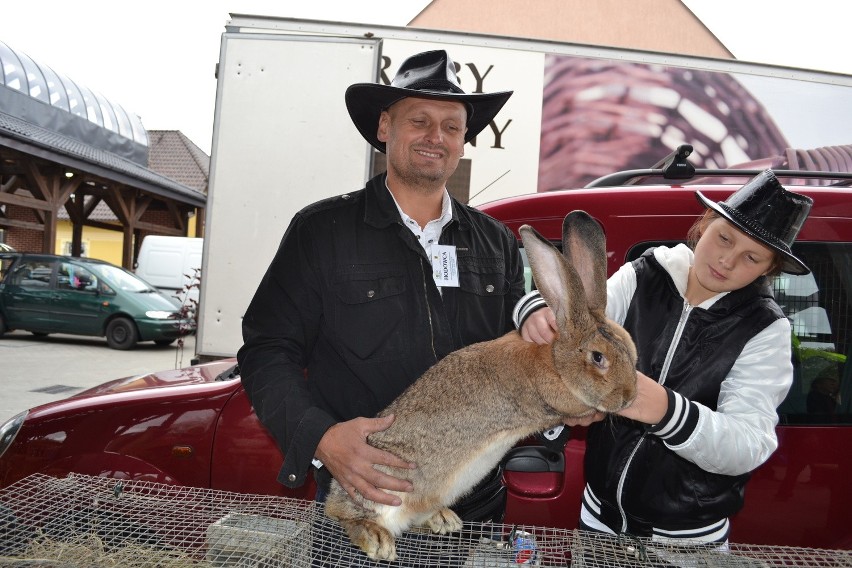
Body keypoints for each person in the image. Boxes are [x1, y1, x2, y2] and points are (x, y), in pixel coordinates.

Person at [237, 50, 525, 517]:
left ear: (464, 139)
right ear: (385, 127)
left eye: (452, 126)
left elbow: (522, 353)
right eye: (420, 121)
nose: (437, 137)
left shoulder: (495, 242)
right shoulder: (321, 231)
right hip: (365, 503)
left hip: (469, 507)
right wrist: (322, 438)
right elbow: (267, 349)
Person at [516, 170, 812, 543]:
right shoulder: (643, 275)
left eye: (751, 257)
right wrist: (536, 312)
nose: (727, 260)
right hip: (599, 521)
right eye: (723, 238)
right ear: (704, 226)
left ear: (768, 269)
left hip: (685, 543)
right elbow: (583, 325)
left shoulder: (765, 329)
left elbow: (749, 442)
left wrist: (668, 412)